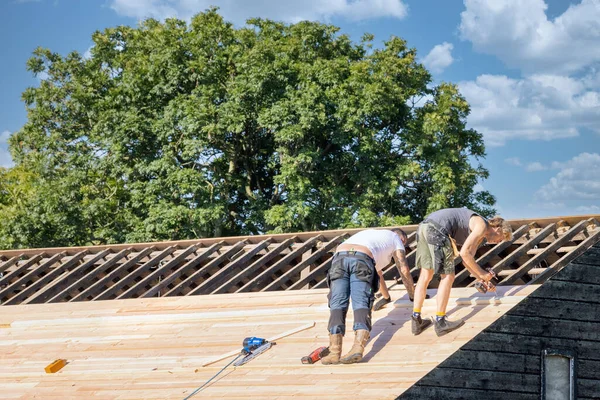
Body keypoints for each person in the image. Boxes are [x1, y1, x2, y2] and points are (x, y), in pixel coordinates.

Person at [411, 208, 512, 337]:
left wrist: (483, 279)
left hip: (424, 227)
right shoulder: (482, 225)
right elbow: (463, 253)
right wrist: (483, 274)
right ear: (498, 229)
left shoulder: (479, 235)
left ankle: (416, 319)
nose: (498, 242)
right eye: (501, 238)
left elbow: (467, 261)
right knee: (447, 276)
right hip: (437, 230)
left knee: (425, 275)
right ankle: (440, 321)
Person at [321, 228, 414, 365]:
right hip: (361, 260)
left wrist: (386, 297)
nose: (403, 246)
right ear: (402, 238)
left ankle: (334, 352)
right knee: (361, 303)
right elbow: (403, 268)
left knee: (337, 304)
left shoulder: (371, 236)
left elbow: (378, 274)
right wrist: (413, 295)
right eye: (404, 244)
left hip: (339, 258)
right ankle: (357, 348)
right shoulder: (395, 238)